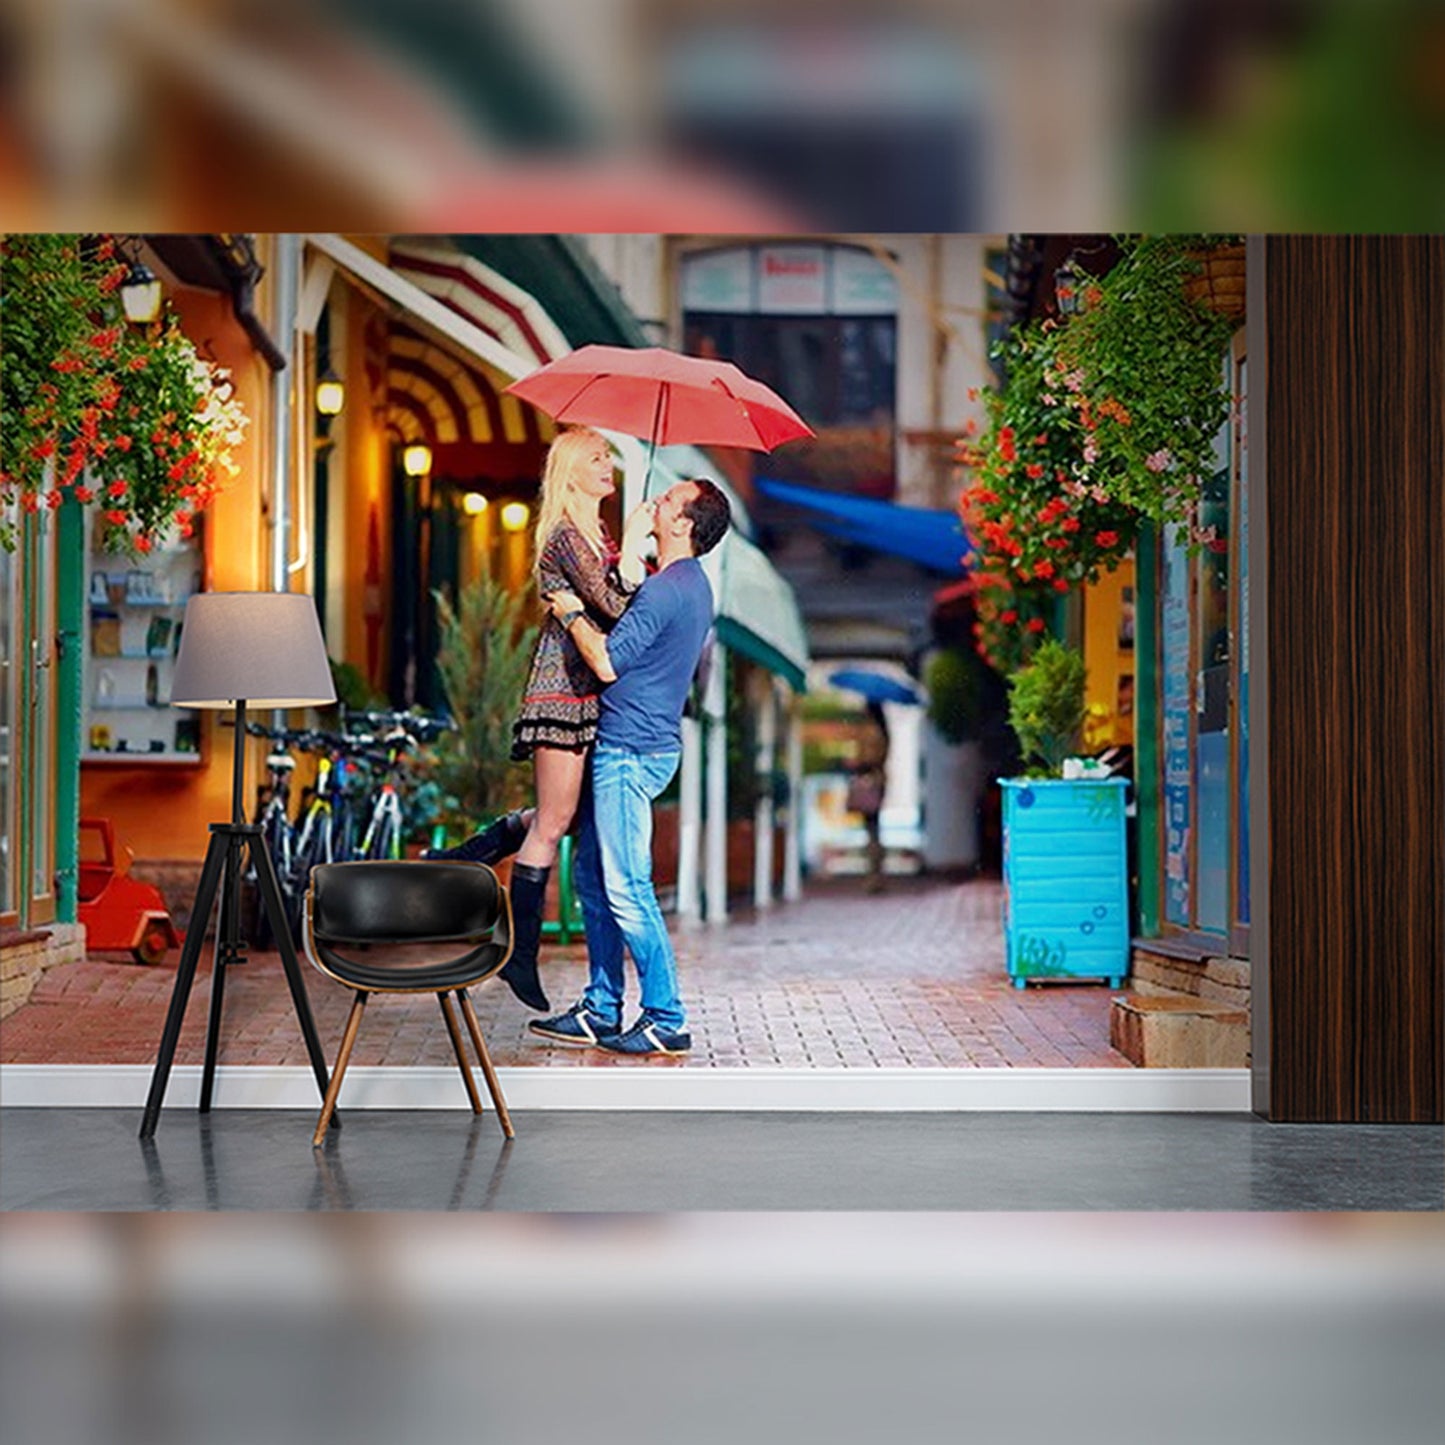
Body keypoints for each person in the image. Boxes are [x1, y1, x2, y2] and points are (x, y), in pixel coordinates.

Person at [428, 426, 649, 1014]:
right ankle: (519, 955)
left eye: (609, 457)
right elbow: (613, 606)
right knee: (554, 823)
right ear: (572, 470)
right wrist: (631, 554)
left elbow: (611, 607)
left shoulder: (590, 534)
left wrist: (622, 557)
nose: (609, 467)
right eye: (598, 458)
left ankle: (473, 852)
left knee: (567, 815)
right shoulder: (565, 537)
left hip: (582, 694)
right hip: (561, 693)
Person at [528, 477, 731, 1056]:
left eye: (670, 501)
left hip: (629, 751)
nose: (657, 501)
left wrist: (568, 611)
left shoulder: (671, 589)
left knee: (626, 887)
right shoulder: (686, 584)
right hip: (639, 745)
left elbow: (608, 661)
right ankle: (601, 1006)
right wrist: (634, 549)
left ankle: (665, 1017)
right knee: (594, 879)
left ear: (685, 525)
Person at [848, 700, 890, 893]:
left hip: (869, 783)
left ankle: (874, 876)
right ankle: (876, 874)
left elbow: (868, 759)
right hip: (877, 782)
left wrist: (856, 764)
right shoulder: (881, 731)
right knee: (874, 829)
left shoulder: (870, 731)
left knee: (872, 830)